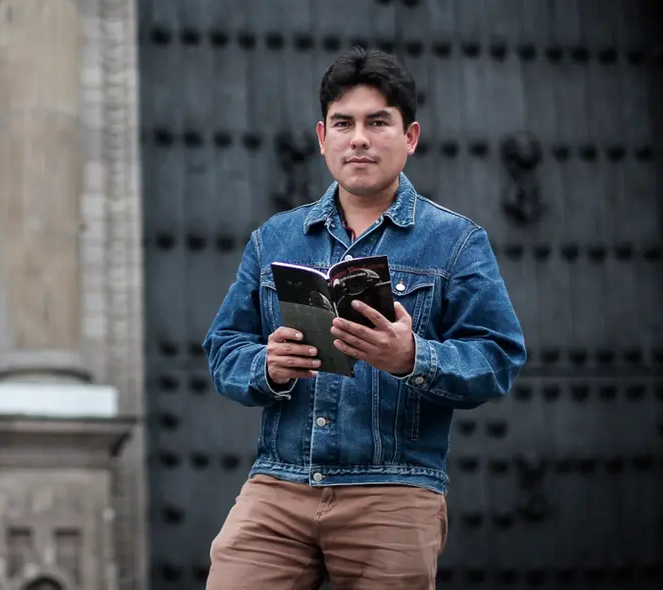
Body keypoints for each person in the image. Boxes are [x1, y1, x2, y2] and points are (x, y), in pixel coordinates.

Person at [201, 47, 526, 589]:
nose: (359, 138)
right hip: (279, 489)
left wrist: (412, 357)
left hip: (393, 494)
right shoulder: (275, 239)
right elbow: (223, 347)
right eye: (343, 123)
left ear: (411, 137)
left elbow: (499, 356)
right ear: (322, 138)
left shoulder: (456, 243)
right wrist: (268, 366)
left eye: (378, 122)